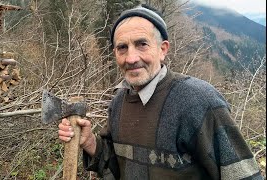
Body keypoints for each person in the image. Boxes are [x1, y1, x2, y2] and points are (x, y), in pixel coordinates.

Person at [58, 4, 263, 180]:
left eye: (142, 44)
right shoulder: (119, 102)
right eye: (122, 48)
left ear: (163, 49)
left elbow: (242, 174)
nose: (131, 58)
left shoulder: (199, 101)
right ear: (115, 54)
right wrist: (89, 142)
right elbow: (115, 164)